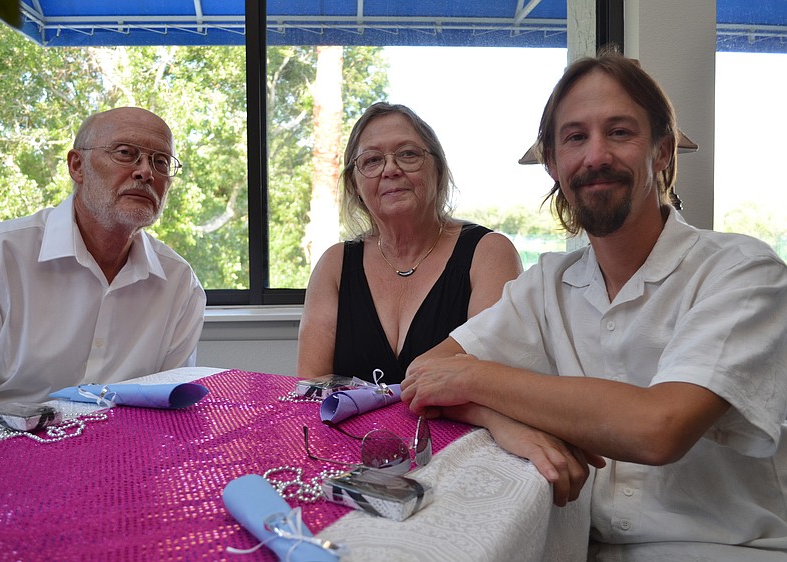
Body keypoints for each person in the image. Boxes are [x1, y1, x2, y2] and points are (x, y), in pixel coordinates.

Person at [401, 49, 787, 560]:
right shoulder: (548, 283)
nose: (596, 155)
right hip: (579, 547)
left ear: (663, 152)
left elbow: (659, 429)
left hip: (725, 549)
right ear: (555, 165)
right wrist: (504, 423)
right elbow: (426, 372)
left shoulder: (742, 271)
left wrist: (472, 379)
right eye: (575, 137)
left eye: (620, 132)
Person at [0, 107, 206, 427]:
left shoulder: (179, 285)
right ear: (77, 166)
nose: (145, 172)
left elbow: (167, 413)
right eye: (125, 153)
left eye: (161, 161)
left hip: (122, 461)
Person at [297, 102, 523, 386]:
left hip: (464, 432)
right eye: (372, 160)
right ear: (355, 185)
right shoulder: (335, 265)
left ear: (438, 170)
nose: (390, 169)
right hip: (347, 433)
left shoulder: (489, 253)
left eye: (408, 154)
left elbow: (492, 383)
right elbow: (311, 389)